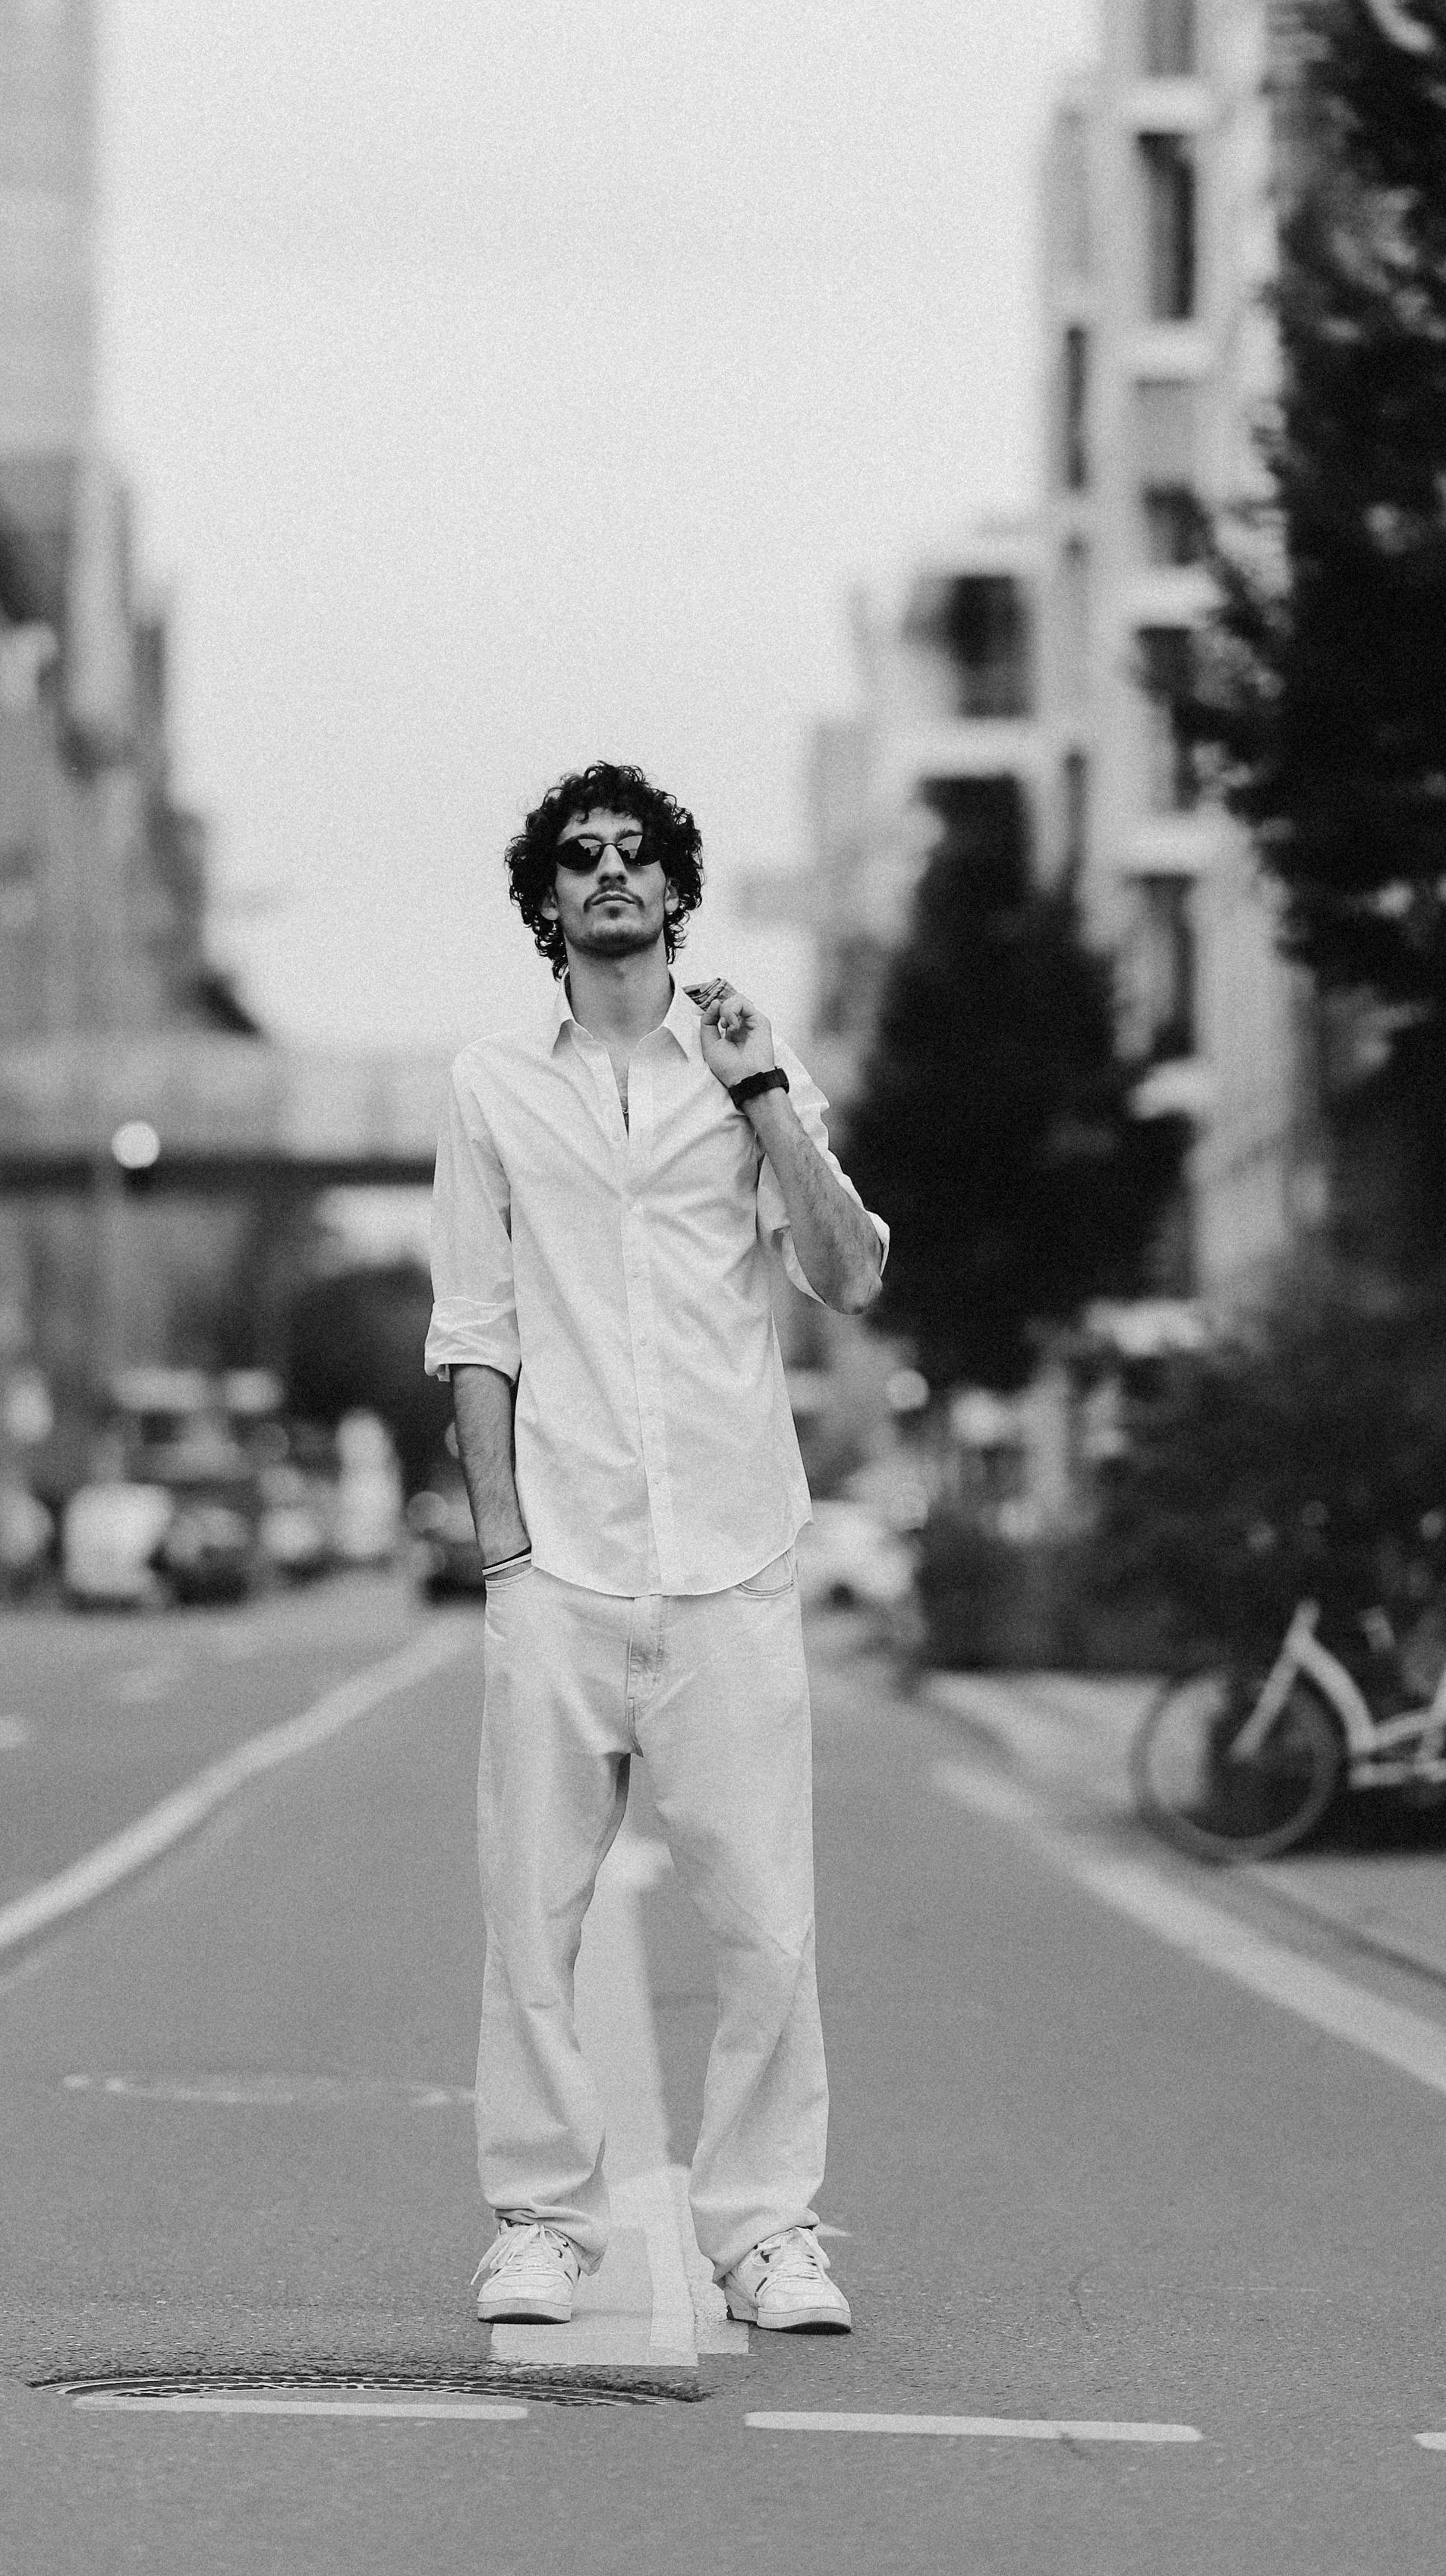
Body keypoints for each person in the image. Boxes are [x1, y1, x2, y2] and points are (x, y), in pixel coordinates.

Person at [425, 761, 887, 2336]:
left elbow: (844, 1274)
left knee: (762, 1920)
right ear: (547, 905)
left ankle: (763, 2233)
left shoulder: (750, 1069)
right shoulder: (493, 1084)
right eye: (580, 857)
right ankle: (544, 2221)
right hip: (560, 1556)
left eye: (639, 854)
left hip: (731, 1554)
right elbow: (473, 1328)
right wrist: (502, 1550)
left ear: (677, 893)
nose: (611, 872)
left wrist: (764, 1092)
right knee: (530, 1914)